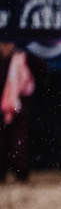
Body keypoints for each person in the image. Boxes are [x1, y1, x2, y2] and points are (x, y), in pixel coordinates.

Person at [0, 41, 35, 183]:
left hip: (18, 109)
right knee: (1, 143)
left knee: (18, 143)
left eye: (9, 44)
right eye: (3, 44)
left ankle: (21, 174)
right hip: (2, 110)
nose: (6, 47)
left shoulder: (20, 59)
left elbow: (41, 69)